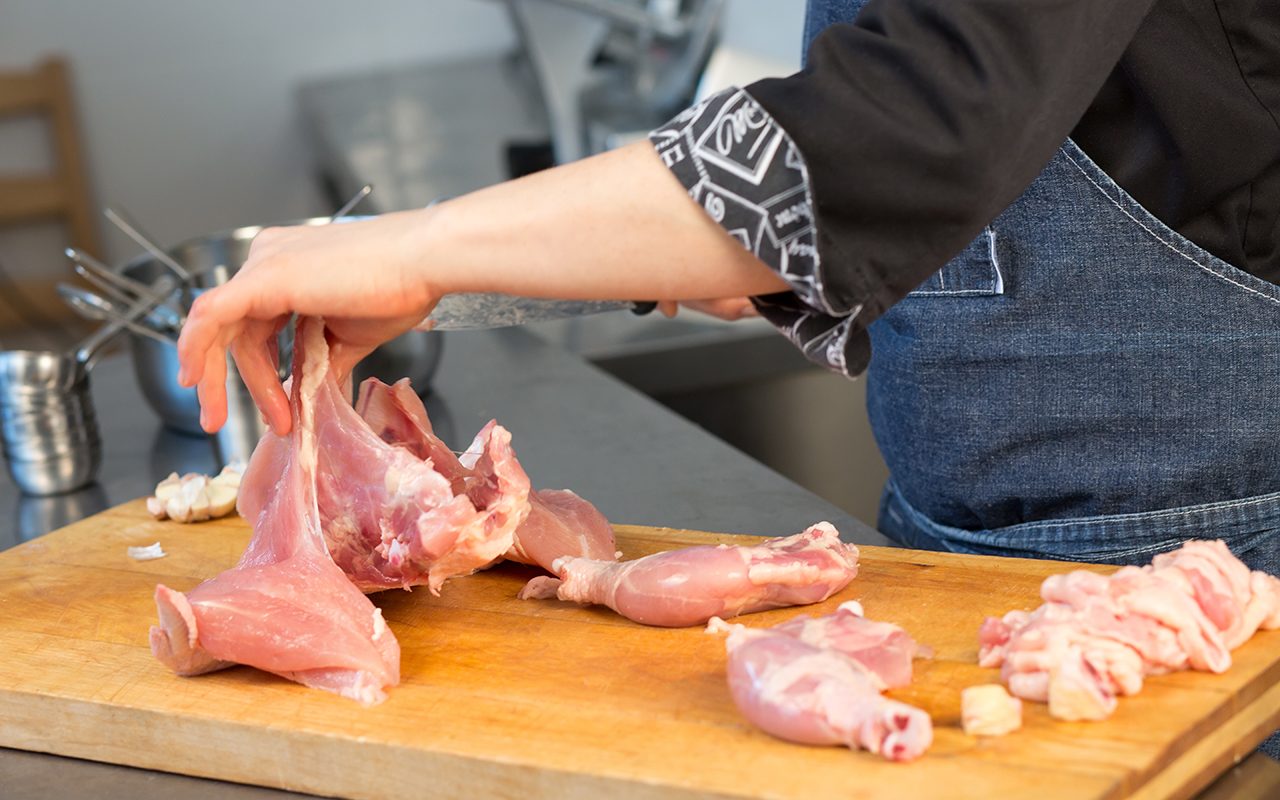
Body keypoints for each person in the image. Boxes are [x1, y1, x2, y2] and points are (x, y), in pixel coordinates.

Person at [180, 0, 1279, 719]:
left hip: (1207, 565)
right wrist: (710, 244)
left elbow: (909, 126)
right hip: (976, 563)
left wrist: (420, 249)